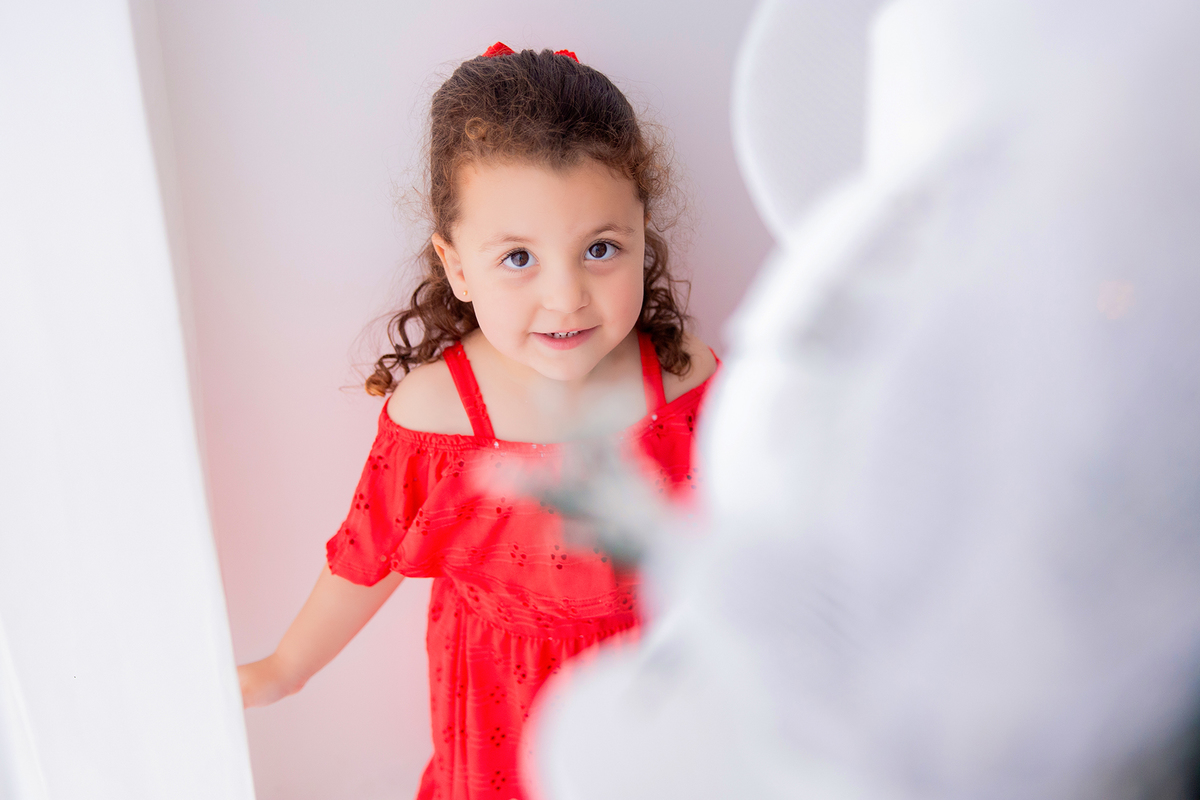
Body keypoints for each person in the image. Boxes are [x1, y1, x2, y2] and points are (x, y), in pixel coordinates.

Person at [236, 43, 718, 800]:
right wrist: (283, 669)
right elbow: (368, 556)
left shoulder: (684, 376)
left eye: (600, 249)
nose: (566, 298)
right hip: (503, 710)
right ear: (457, 265)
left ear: (642, 235)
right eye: (518, 259)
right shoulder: (439, 414)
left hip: (658, 692)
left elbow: (748, 522)